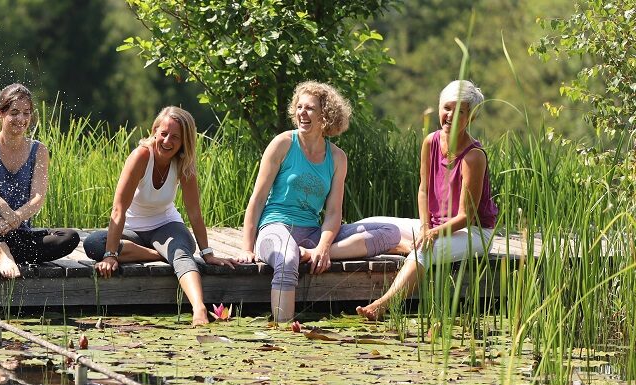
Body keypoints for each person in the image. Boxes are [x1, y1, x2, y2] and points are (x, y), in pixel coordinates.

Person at [234, 81, 401, 322]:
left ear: (326, 115)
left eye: (310, 108)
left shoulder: (337, 158)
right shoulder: (282, 144)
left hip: (312, 235)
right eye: (299, 107)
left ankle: (309, 253)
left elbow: (333, 213)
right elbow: (258, 200)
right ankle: (284, 330)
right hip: (275, 228)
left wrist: (322, 248)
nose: (302, 113)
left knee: (390, 232)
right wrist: (247, 249)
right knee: (287, 258)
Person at [356, 81, 498, 321]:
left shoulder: (474, 157)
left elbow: (467, 217)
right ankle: (405, 244)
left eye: (460, 111)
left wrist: (432, 234)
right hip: (433, 226)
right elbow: (423, 190)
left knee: (424, 251)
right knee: (369, 223)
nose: (450, 115)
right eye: (447, 108)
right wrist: (425, 227)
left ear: (471, 117)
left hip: (474, 233)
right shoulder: (430, 142)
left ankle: (381, 305)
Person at [83, 106, 238, 325]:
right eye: (163, 134)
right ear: (155, 131)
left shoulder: (184, 164)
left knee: (182, 252)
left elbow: (194, 211)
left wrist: (208, 253)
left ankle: (199, 309)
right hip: (132, 231)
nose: (167, 141)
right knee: (93, 244)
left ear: (184, 141)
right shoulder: (141, 156)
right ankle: (162, 254)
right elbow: (119, 209)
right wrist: (109, 254)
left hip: (166, 225)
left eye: (175, 137)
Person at [0, 83, 80, 278]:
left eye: (26, 113)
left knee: (69, 238)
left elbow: (38, 198)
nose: (21, 119)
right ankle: (2, 253)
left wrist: (16, 218)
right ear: (0, 113)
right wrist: (2, 206)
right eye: (14, 113)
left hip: (14, 231)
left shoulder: (39, 150)